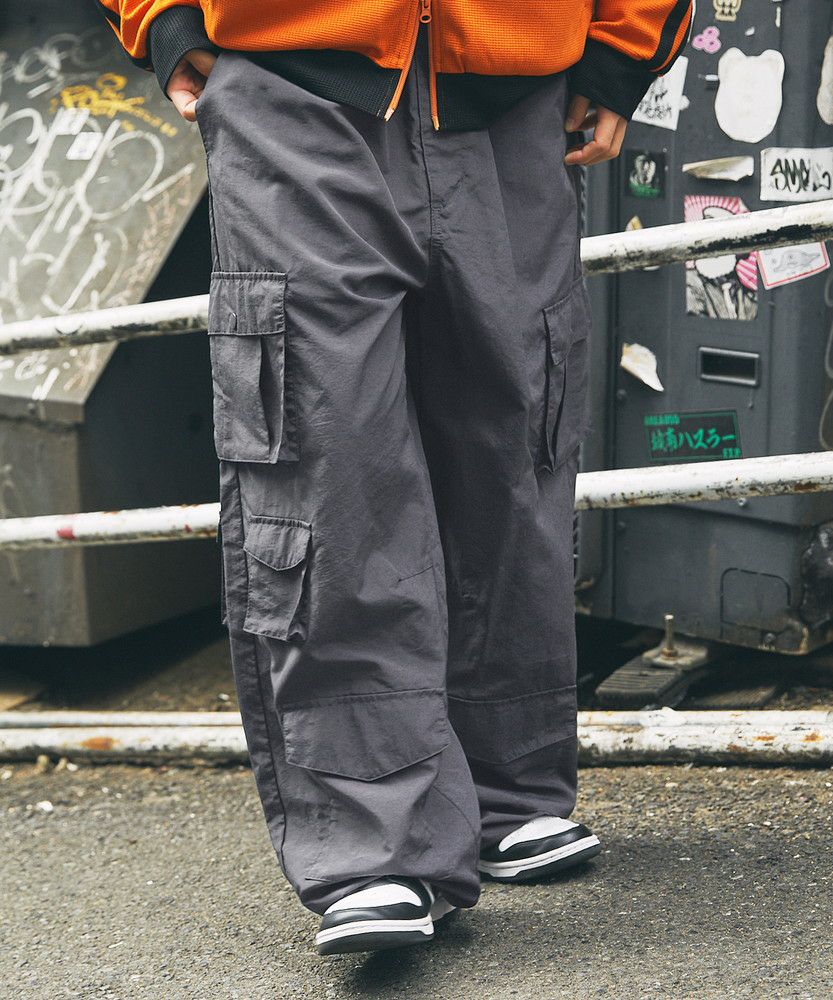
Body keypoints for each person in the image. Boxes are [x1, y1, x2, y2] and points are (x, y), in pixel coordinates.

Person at [101, 0, 693, 957]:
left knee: (511, 446)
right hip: (296, 76)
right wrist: (161, 17)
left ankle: (507, 785)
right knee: (328, 459)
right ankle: (375, 841)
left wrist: (622, 49)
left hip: (515, 87)